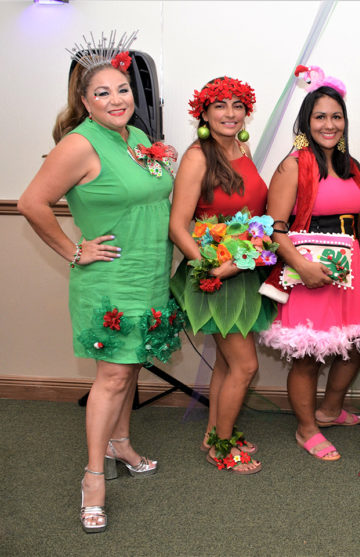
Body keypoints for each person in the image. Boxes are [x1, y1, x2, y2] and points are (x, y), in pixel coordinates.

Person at [18, 31, 183, 533]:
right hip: (110, 278)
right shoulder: (78, 144)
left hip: (149, 273)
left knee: (131, 365)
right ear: (85, 102)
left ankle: (121, 444)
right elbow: (31, 203)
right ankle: (93, 477)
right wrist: (74, 249)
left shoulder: (135, 138)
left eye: (123, 90)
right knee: (112, 377)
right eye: (103, 93)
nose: (117, 100)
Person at [258, 66, 360, 461]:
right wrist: (303, 268)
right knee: (308, 356)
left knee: (354, 346)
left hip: (347, 271)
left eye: (336, 116)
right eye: (320, 116)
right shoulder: (294, 165)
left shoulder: (350, 166)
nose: (330, 124)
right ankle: (306, 429)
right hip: (306, 273)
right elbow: (274, 228)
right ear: (306, 121)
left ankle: (328, 410)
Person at [169, 76, 276, 474]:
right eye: (220, 106)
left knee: (231, 364)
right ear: (205, 112)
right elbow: (178, 225)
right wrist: (211, 268)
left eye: (237, 105)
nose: (230, 114)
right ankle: (222, 447)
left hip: (243, 270)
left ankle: (214, 431)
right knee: (245, 366)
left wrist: (248, 253)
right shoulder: (198, 156)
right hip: (213, 276)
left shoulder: (241, 147)